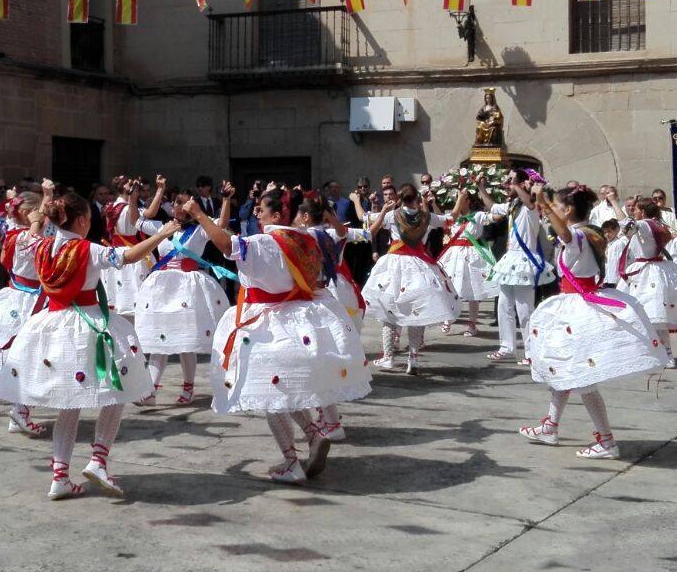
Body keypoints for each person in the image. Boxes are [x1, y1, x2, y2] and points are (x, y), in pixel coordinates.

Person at [0, 185, 170, 500]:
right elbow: (127, 256)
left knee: (68, 402)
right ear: (79, 222)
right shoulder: (87, 250)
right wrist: (161, 234)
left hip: (52, 325)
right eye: (89, 217)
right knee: (117, 392)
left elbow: (27, 241)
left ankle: (60, 475)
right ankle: (98, 459)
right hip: (90, 324)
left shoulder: (43, 247)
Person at [183, 187, 370, 484]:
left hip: (268, 325)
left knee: (269, 396)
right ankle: (312, 435)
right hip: (303, 321)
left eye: (261, 209)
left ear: (278, 213)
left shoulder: (265, 242)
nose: (257, 213)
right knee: (284, 390)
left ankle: (291, 462)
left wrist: (198, 214)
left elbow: (225, 245)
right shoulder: (307, 238)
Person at [518, 186, 666, 460]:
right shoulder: (594, 232)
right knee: (563, 367)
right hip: (581, 303)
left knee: (584, 379)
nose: (556, 213)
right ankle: (550, 425)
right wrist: (547, 204)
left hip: (578, 308)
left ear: (568, 211)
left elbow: (564, 233)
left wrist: (544, 203)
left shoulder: (575, 236)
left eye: (560, 208)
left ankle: (607, 441)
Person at [132, 178, 231, 407]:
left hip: (188, 288)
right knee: (161, 337)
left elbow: (222, 224)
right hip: (162, 287)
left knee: (186, 340)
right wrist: (141, 195)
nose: (180, 206)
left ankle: (188, 388)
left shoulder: (200, 230)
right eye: (177, 201)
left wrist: (225, 199)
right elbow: (136, 221)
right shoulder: (162, 227)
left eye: (185, 203)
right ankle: (150, 391)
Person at [0, 189, 52, 435]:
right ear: (27, 214)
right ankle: (20, 411)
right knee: (33, 357)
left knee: (31, 357)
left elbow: (23, 220)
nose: (43, 216)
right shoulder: (24, 237)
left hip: (27, 298)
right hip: (28, 301)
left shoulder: (14, 229)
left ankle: (19, 413)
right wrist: (35, 219)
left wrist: (44, 197)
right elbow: (33, 237)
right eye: (38, 213)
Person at [363, 183, 460, 374]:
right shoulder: (427, 217)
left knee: (389, 311)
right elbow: (451, 219)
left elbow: (364, 218)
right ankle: (413, 360)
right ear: (416, 198)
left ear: (399, 198)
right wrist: (461, 199)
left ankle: (389, 358)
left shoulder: (392, 215)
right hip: (419, 267)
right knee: (417, 311)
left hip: (394, 264)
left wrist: (359, 201)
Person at [485, 170, 555, 363]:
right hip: (510, 261)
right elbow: (492, 208)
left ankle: (531, 352)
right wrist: (481, 188)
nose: (507, 183)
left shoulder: (531, 208)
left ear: (523, 184)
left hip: (525, 261)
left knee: (524, 310)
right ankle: (506, 346)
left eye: (511, 180)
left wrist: (516, 185)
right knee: (504, 306)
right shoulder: (513, 206)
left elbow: (530, 203)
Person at [617, 202, 677, 364]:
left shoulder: (644, 224)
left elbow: (625, 225)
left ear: (643, 211)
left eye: (637, 209)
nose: (634, 211)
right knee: (654, 318)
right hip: (656, 269)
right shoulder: (657, 223)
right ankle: (661, 353)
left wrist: (613, 202)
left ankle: (661, 354)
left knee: (651, 316)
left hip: (646, 272)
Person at [437, 189, 497, 338]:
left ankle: (472, 324)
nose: (458, 200)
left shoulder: (478, 215)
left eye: (461, 198)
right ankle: (448, 317)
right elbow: (440, 219)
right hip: (454, 255)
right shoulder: (453, 216)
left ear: (468, 201)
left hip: (472, 255)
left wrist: (484, 193)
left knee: (473, 289)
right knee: (450, 286)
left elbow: (495, 216)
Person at [101, 178, 151, 319]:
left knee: (116, 289)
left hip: (114, 251)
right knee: (132, 287)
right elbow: (150, 213)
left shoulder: (110, 206)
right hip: (130, 251)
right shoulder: (130, 208)